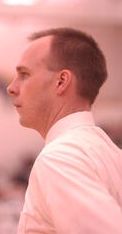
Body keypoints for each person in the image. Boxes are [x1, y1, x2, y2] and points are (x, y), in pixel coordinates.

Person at [7, 27, 122, 234]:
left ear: (61, 82)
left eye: (24, 74)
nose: (11, 88)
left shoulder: (60, 158)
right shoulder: (109, 151)